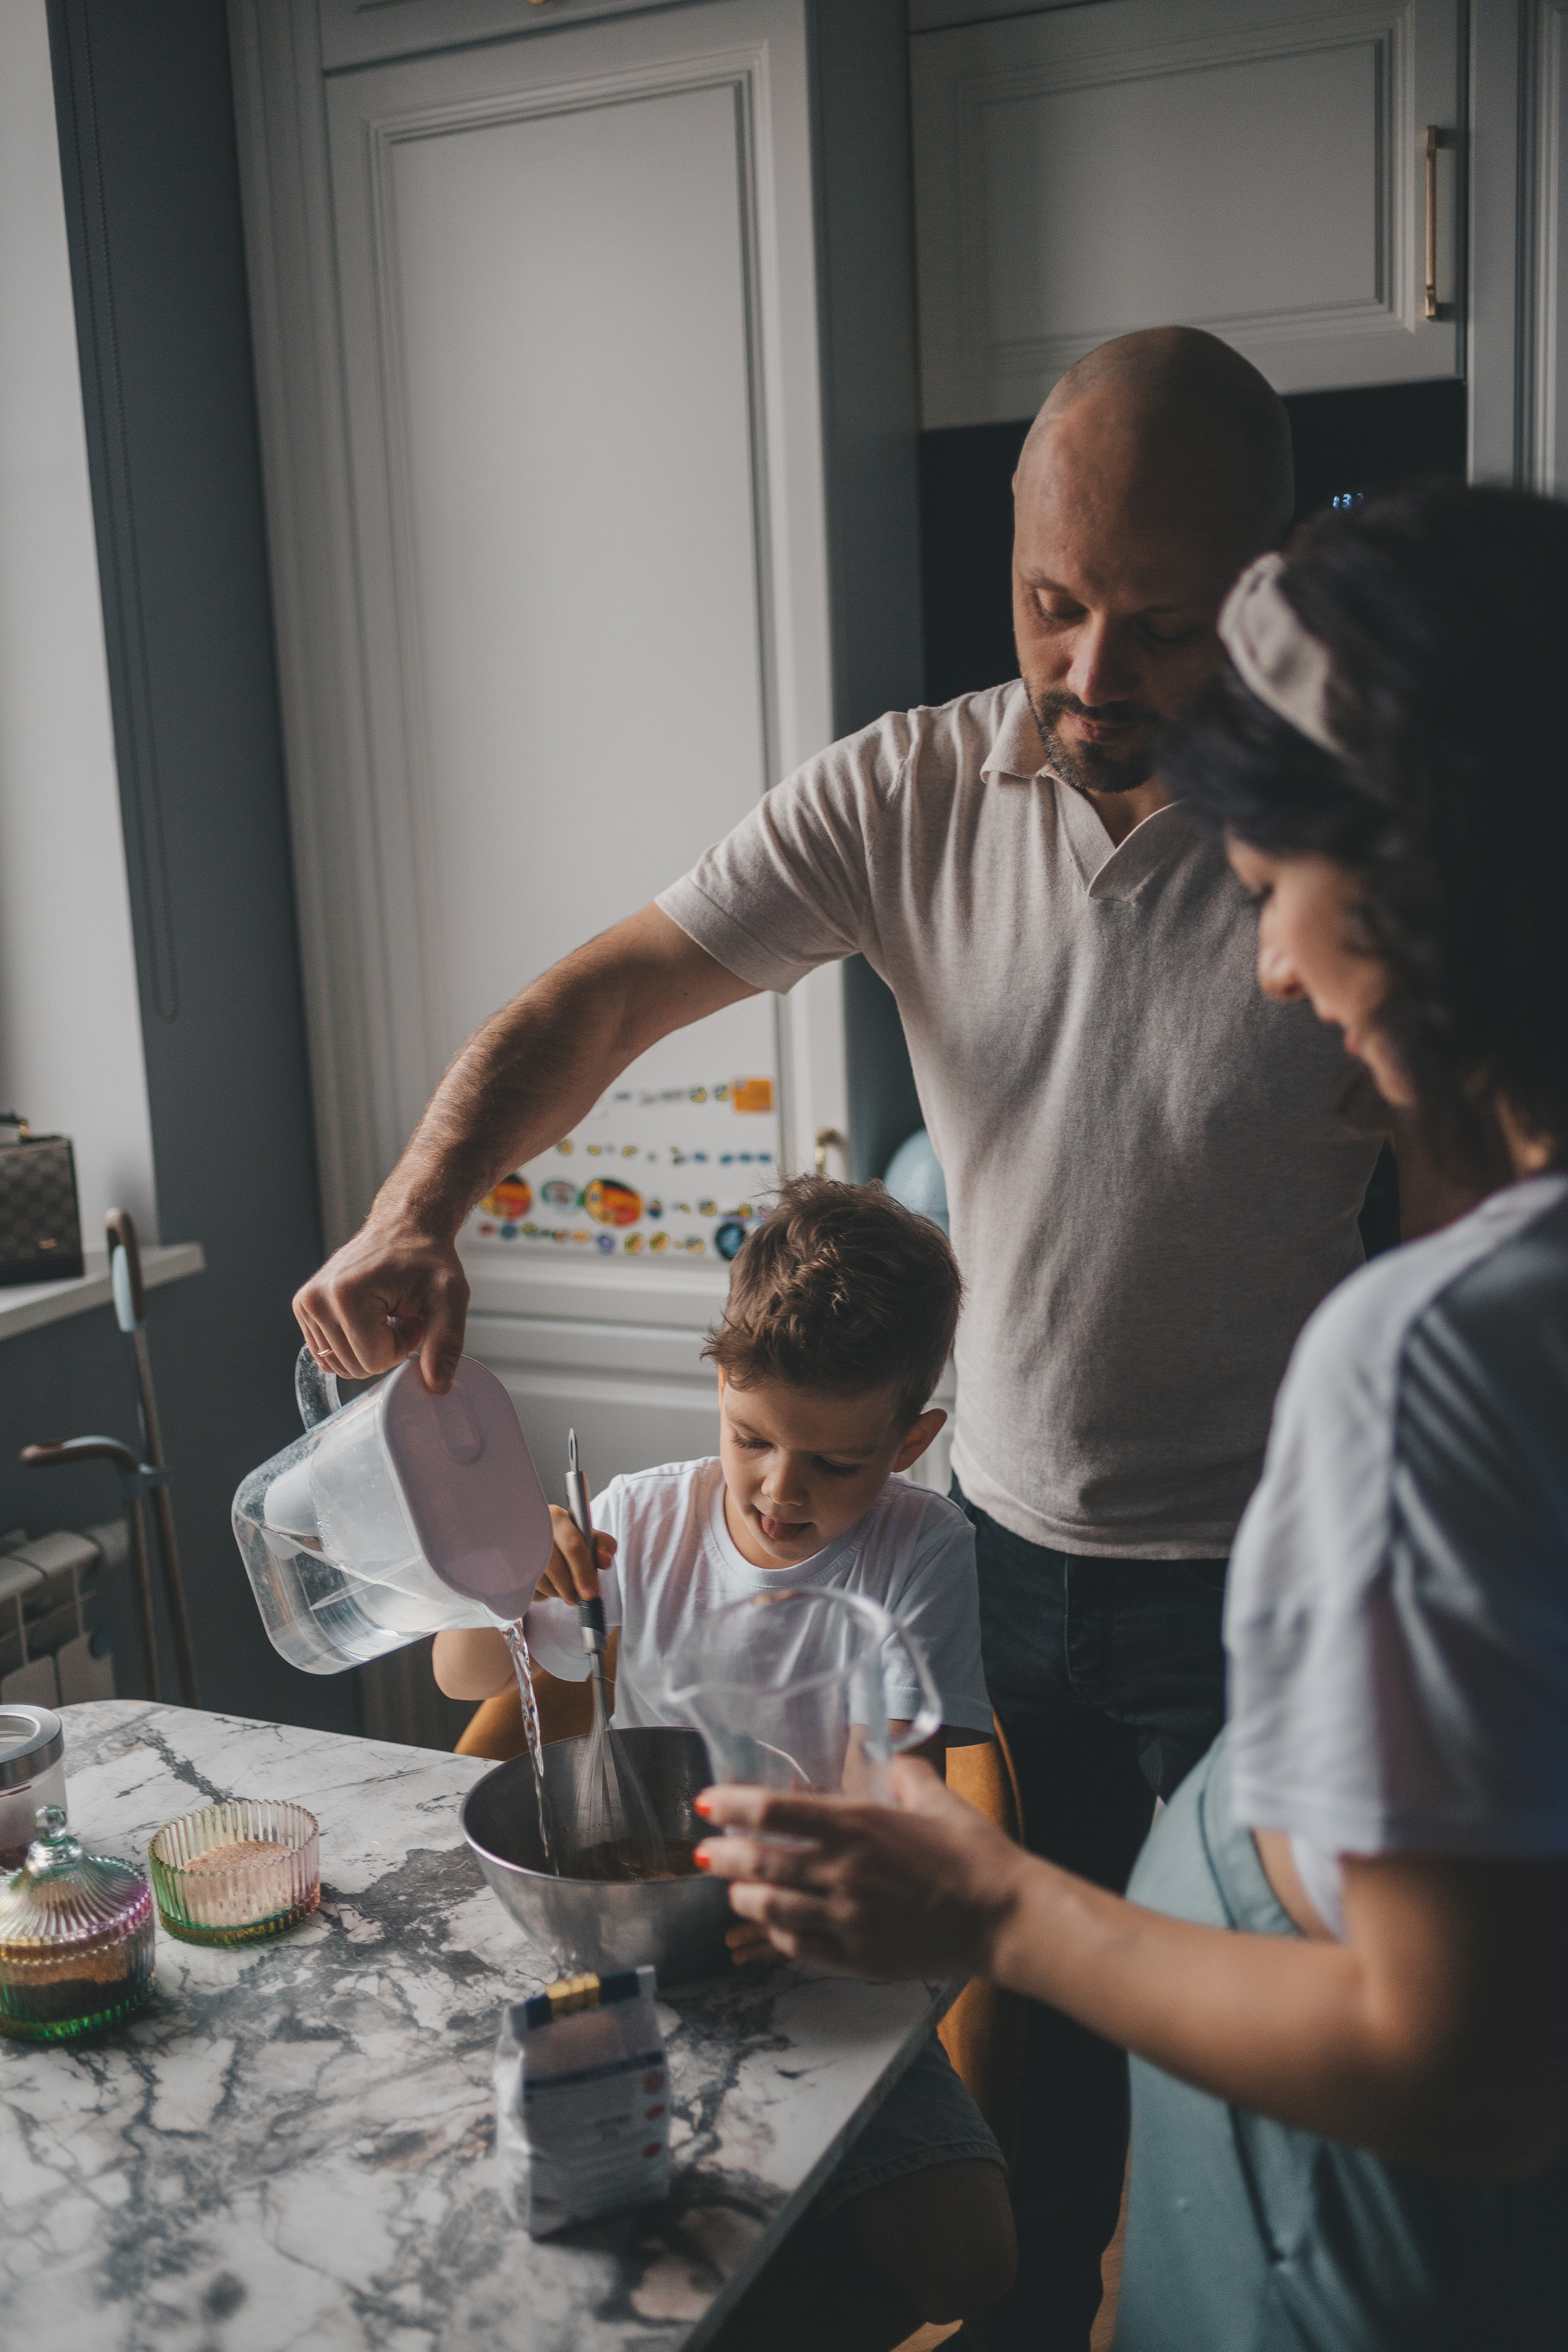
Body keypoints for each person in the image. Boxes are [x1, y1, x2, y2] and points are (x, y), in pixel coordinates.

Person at [295, 326, 1391, 2346]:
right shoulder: (910, 785)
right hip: (997, 1558)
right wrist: (420, 1205)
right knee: (1026, 2101)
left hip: (1274, 1590)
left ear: (1267, 590)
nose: (1083, 673)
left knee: (1279, 2128)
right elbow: (609, 994)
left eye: (1152, 627)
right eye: (1052, 603)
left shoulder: (1349, 838)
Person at [693, 483, 1568, 2348]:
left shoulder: (1436, 1359)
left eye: (1270, 893)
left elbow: (1463, 2065)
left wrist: (993, 1910)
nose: (1270, 969)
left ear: (1416, 872)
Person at [434, 1176, 1016, 2349]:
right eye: (752, 1438)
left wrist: (807, 1891)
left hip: (816, 1954)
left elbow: (892, 1785)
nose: (780, 1489)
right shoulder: (636, 1523)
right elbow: (463, 1680)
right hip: (620, 1941)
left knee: (972, 2253)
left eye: (837, 1464)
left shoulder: (924, 1550)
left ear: (912, 1441)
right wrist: (512, 1580)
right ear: (718, 1385)